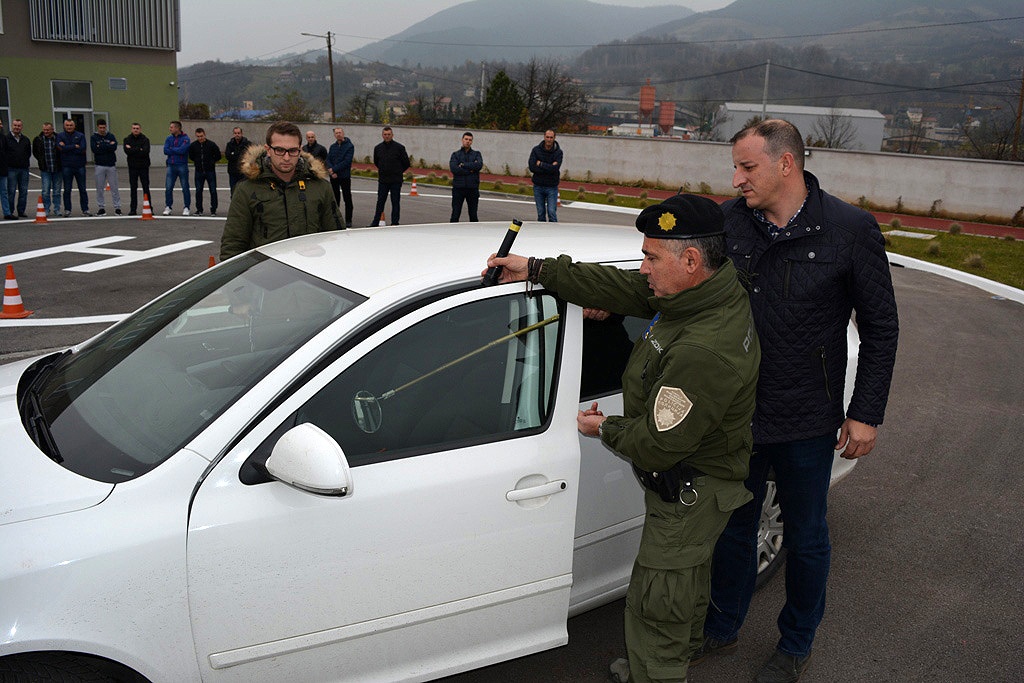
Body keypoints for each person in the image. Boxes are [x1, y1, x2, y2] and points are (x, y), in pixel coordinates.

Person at [487, 195, 761, 683]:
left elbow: (657, 445)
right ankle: (681, 652)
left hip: (690, 488)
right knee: (687, 582)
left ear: (691, 260)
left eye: (652, 257)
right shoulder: (705, 290)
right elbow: (621, 286)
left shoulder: (704, 347)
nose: (643, 267)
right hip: (696, 479)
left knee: (661, 594)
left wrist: (602, 428)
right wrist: (537, 269)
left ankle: (655, 671)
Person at [697, 119, 899, 683]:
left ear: (786, 164)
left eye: (747, 167)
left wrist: (865, 413)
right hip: (737, 416)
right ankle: (722, 624)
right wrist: (598, 301)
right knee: (734, 530)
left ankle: (795, 643)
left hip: (809, 419)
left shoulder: (850, 229)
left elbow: (881, 326)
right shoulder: (727, 223)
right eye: (734, 167)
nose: (735, 178)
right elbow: (673, 280)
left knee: (806, 538)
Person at [220, 121, 343, 260]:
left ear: (300, 150)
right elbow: (233, 244)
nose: (286, 157)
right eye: (279, 150)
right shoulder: (246, 189)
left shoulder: (321, 187)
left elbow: (336, 238)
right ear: (268, 150)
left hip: (311, 274)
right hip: (265, 276)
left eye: (292, 151)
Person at [369, 125, 410, 226]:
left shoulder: (400, 148)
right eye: (385, 134)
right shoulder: (378, 148)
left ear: (392, 135)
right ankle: (375, 222)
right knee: (380, 202)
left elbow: (406, 163)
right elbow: (376, 162)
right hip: (383, 180)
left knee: (395, 203)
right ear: (382, 135)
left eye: (389, 134)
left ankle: (395, 223)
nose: (387, 136)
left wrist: (398, 171)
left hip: (396, 180)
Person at [56, 118, 90, 217]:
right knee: (67, 189)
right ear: (64, 126)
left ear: (74, 126)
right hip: (67, 166)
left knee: (82, 189)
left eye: (71, 125)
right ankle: (67, 210)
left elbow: (83, 149)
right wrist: (74, 146)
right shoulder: (60, 136)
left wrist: (67, 147)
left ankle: (85, 209)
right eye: (67, 125)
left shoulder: (80, 135)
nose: (69, 127)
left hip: (79, 166)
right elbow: (60, 149)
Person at [529, 129, 562, 222]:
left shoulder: (558, 152)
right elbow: (532, 167)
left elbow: (555, 169)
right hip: (538, 186)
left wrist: (541, 164)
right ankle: (542, 233)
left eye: (551, 137)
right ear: (544, 137)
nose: (549, 139)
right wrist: (550, 166)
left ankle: (554, 232)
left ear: (554, 138)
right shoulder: (536, 150)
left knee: (551, 212)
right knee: (540, 213)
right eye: (547, 137)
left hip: (551, 187)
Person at [449, 131, 483, 222]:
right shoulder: (455, 155)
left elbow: (478, 165)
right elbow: (454, 169)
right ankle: (452, 232)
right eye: (466, 139)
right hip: (458, 188)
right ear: (462, 140)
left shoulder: (477, 154)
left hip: (472, 188)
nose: (468, 141)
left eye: (470, 140)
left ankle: (474, 234)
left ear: (472, 142)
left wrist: (463, 165)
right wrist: (471, 170)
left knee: (473, 215)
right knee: (455, 214)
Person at [90, 119, 122, 216]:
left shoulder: (111, 136)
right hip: (99, 165)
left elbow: (114, 147)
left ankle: (117, 207)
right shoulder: (94, 137)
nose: (102, 129)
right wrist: (107, 145)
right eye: (100, 128)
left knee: (114, 187)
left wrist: (102, 146)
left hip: (111, 165)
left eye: (104, 127)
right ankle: (101, 207)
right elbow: (95, 149)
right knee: (99, 188)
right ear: (97, 127)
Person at [189, 127, 222, 216]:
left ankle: (213, 210)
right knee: (198, 190)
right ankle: (199, 209)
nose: (200, 138)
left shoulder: (211, 145)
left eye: (201, 136)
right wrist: (197, 161)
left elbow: (218, 155)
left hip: (210, 171)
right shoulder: (193, 145)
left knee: (213, 190)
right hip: (199, 171)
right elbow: (191, 156)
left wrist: (212, 162)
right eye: (198, 136)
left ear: (204, 135)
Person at [33, 122, 63, 217]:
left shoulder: (58, 138)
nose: (46, 131)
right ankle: (46, 208)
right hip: (45, 169)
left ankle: (57, 209)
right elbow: (35, 152)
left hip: (57, 168)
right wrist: (41, 161)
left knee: (57, 191)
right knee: (45, 191)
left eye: (48, 130)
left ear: (52, 130)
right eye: (44, 130)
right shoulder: (38, 139)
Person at [326, 126, 354, 228]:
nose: (338, 134)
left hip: (344, 176)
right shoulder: (332, 147)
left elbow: (347, 161)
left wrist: (334, 169)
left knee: (347, 198)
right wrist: (330, 170)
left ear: (343, 133)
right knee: (335, 198)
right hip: (334, 177)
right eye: (336, 133)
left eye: (340, 132)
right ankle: (335, 219)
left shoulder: (349, 146)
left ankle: (348, 220)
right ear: (334, 135)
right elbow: (328, 159)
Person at [122, 122, 151, 216]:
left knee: (146, 187)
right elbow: (127, 151)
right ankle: (133, 209)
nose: (135, 130)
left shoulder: (145, 139)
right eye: (134, 128)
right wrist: (139, 149)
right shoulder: (127, 139)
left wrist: (133, 149)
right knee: (133, 188)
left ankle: (149, 207)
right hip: (132, 167)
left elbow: (145, 151)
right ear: (131, 129)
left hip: (143, 167)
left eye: (137, 128)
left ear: (140, 129)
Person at [163, 120, 191, 216]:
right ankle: (168, 206)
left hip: (182, 165)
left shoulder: (186, 139)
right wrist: (175, 150)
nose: (170, 129)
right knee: (168, 187)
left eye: (171, 127)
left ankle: (186, 207)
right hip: (171, 165)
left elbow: (182, 150)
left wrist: (172, 149)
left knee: (185, 187)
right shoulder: (168, 138)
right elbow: (165, 150)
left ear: (177, 128)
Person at [6, 119, 32, 218]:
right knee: (11, 191)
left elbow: (28, 153)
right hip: (11, 169)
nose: (17, 127)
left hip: (24, 169)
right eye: (15, 125)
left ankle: (21, 211)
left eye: (19, 126)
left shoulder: (25, 139)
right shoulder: (6, 139)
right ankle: (10, 211)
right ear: (12, 126)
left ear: (22, 127)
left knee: (23, 191)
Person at [225, 127, 250, 196]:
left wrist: (234, 154)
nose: (237, 135)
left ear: (242, 133)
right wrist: (239, 155)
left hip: (244, 172)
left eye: (238, 133)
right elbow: (228, 156)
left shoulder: (247, 144)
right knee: (233, 192)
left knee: (244, 192)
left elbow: (249, 156)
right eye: (235, 133)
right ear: (233, 134)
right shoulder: (229, 144)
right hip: (233, 172)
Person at [0, 119, 10, 219]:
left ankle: (7, 212)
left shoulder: (3, 138)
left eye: (1, 124)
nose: (1, 126)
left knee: (4, 192)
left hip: (2, 170)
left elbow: (7, 152)